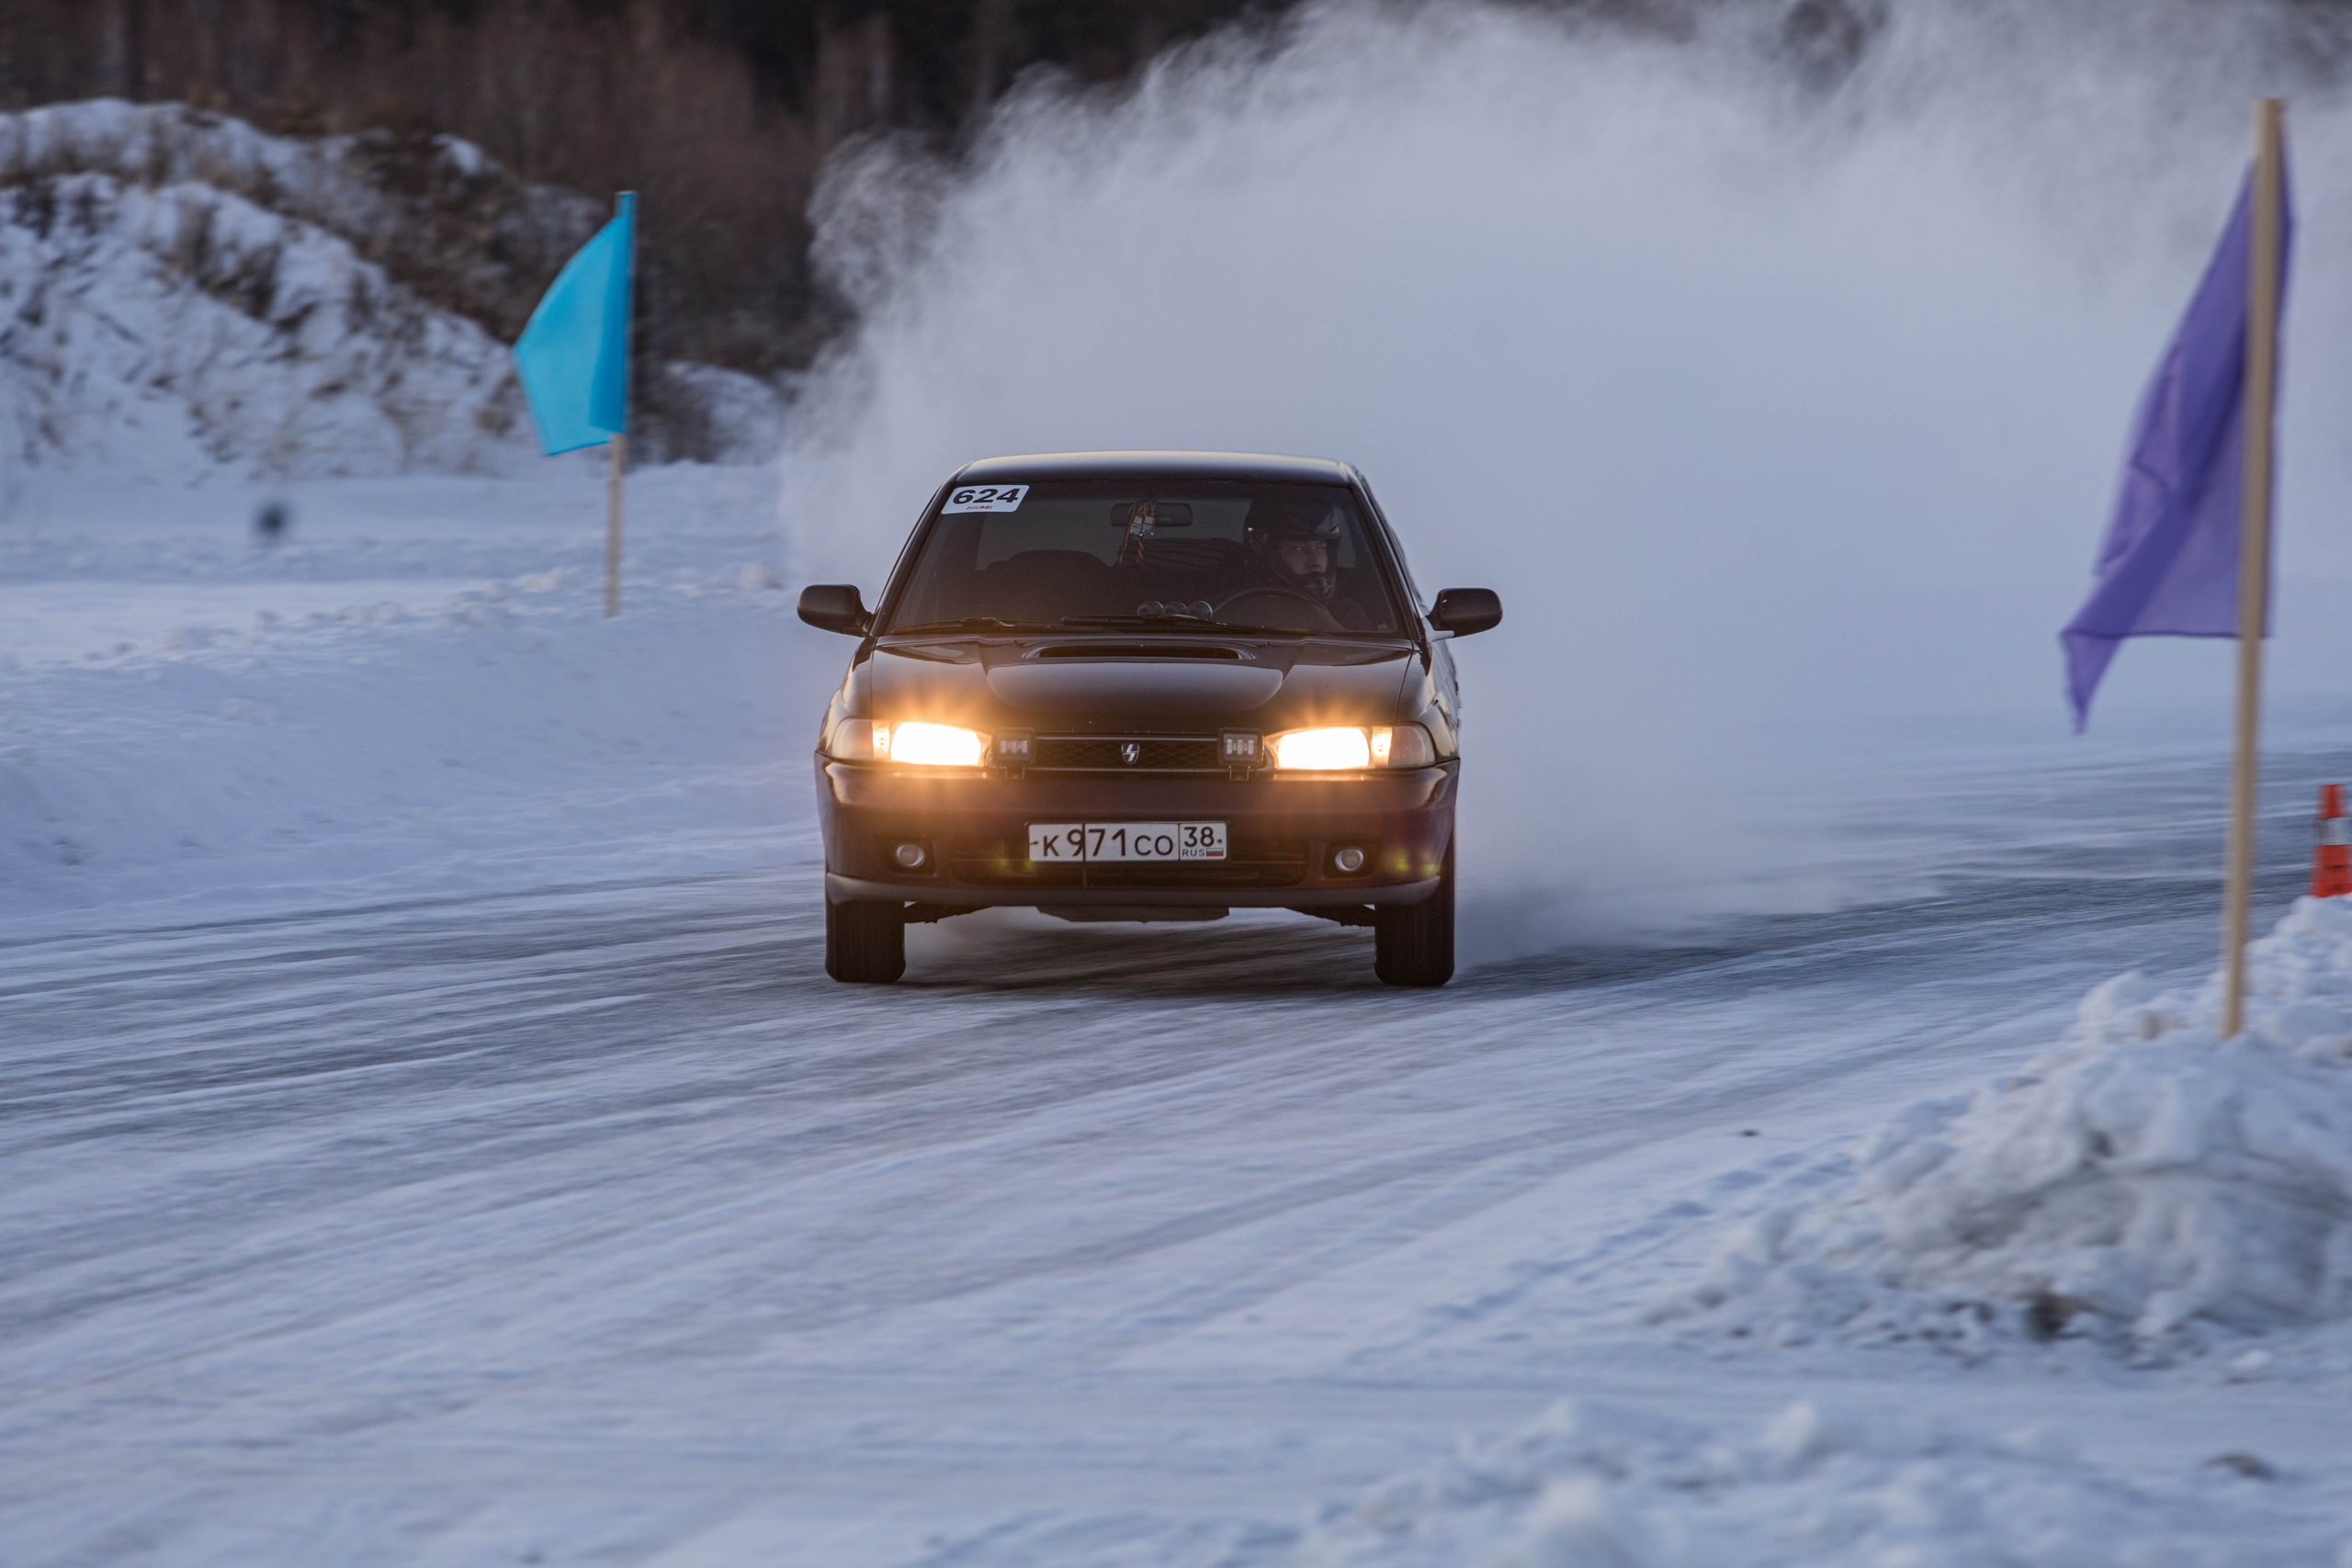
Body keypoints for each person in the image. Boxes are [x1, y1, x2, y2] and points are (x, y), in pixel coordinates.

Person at [1239, 496, 1374, 628]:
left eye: (1321, 548)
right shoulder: (1236, 602)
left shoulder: (1344, 612)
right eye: (1300, 549)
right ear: (1266, 552)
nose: (1315, 561)